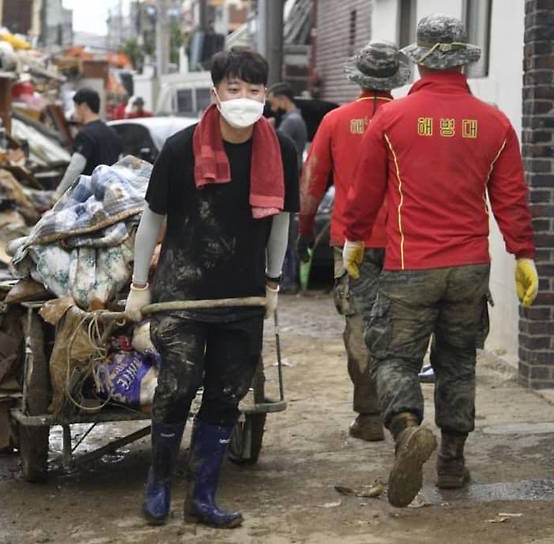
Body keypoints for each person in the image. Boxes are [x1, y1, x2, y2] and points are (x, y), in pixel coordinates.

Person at [342, 14, 538, 507]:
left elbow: (364, 193)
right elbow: (512, 198)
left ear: (421, 57)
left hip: (410, 264)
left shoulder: (391, 120)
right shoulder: (494, 122)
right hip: (470, 267)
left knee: (394, 358)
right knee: (457, 364)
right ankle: (452, 461)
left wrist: (354, 238)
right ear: (462, 60)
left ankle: (408, 429)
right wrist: (523, 254)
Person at [125, 47, 299, 528]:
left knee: (226, 395)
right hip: (184, 294)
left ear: (267, 95)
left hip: (241, 295)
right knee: (177, 389)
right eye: (235, 89)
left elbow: (282, 221)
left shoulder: (280, 150)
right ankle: (159, 483)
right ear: (215, 93)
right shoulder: (182, 149)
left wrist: (272, 281)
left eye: (255, 90)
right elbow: (151, 221)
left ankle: (202, 496)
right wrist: (141, 286)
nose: (245, 98)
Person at [298, 41, 410, 441]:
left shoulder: (335, 120)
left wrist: (305, 229)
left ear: (358, 77)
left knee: (359, 326)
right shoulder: (410, 119)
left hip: (351, 243)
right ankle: (403, 415)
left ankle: (368, 416)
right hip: (404, 242)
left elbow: (312, 181)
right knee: (401, 327)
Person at [268, 82, 308, 294]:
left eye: (273, 100)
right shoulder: (296, 120)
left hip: (285, 181)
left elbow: (272, 144)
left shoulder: (291, 122)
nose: (272, 105)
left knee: (284, 234)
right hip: (292, 179)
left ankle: (287, 280)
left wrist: (269, 126)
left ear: (283, 99)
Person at [54, 88, 123, 199]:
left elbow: (75, 167)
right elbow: (120, 163)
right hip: (110, 196)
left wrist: (59, 193)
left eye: (76, 107)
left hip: (89, 197)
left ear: (84, 106)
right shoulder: (113, 133)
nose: (75, 111)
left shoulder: (85, 135)